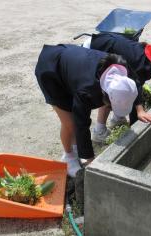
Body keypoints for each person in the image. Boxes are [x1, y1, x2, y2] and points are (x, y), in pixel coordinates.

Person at [35, 44, 138, 177]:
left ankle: (76, 147)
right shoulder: (87, 90)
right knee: (70, 123)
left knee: (75, 127)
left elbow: (136, 86)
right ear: (104, 94)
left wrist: (139, 109)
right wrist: (89, 159)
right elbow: (81, 124)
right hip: (50, 70)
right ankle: (68, 157)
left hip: (72, 65)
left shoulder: (123, 69)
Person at [83, 33, 151, 141]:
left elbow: (134, 89)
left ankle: (117, 118)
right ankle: (99, 131)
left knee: (120, 89)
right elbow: (135, 89)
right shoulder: (141, 65)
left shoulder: (146, 57)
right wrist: (136, 124)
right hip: (94, 49)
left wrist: (139, 112)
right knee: (110, 92)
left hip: (105, 43)